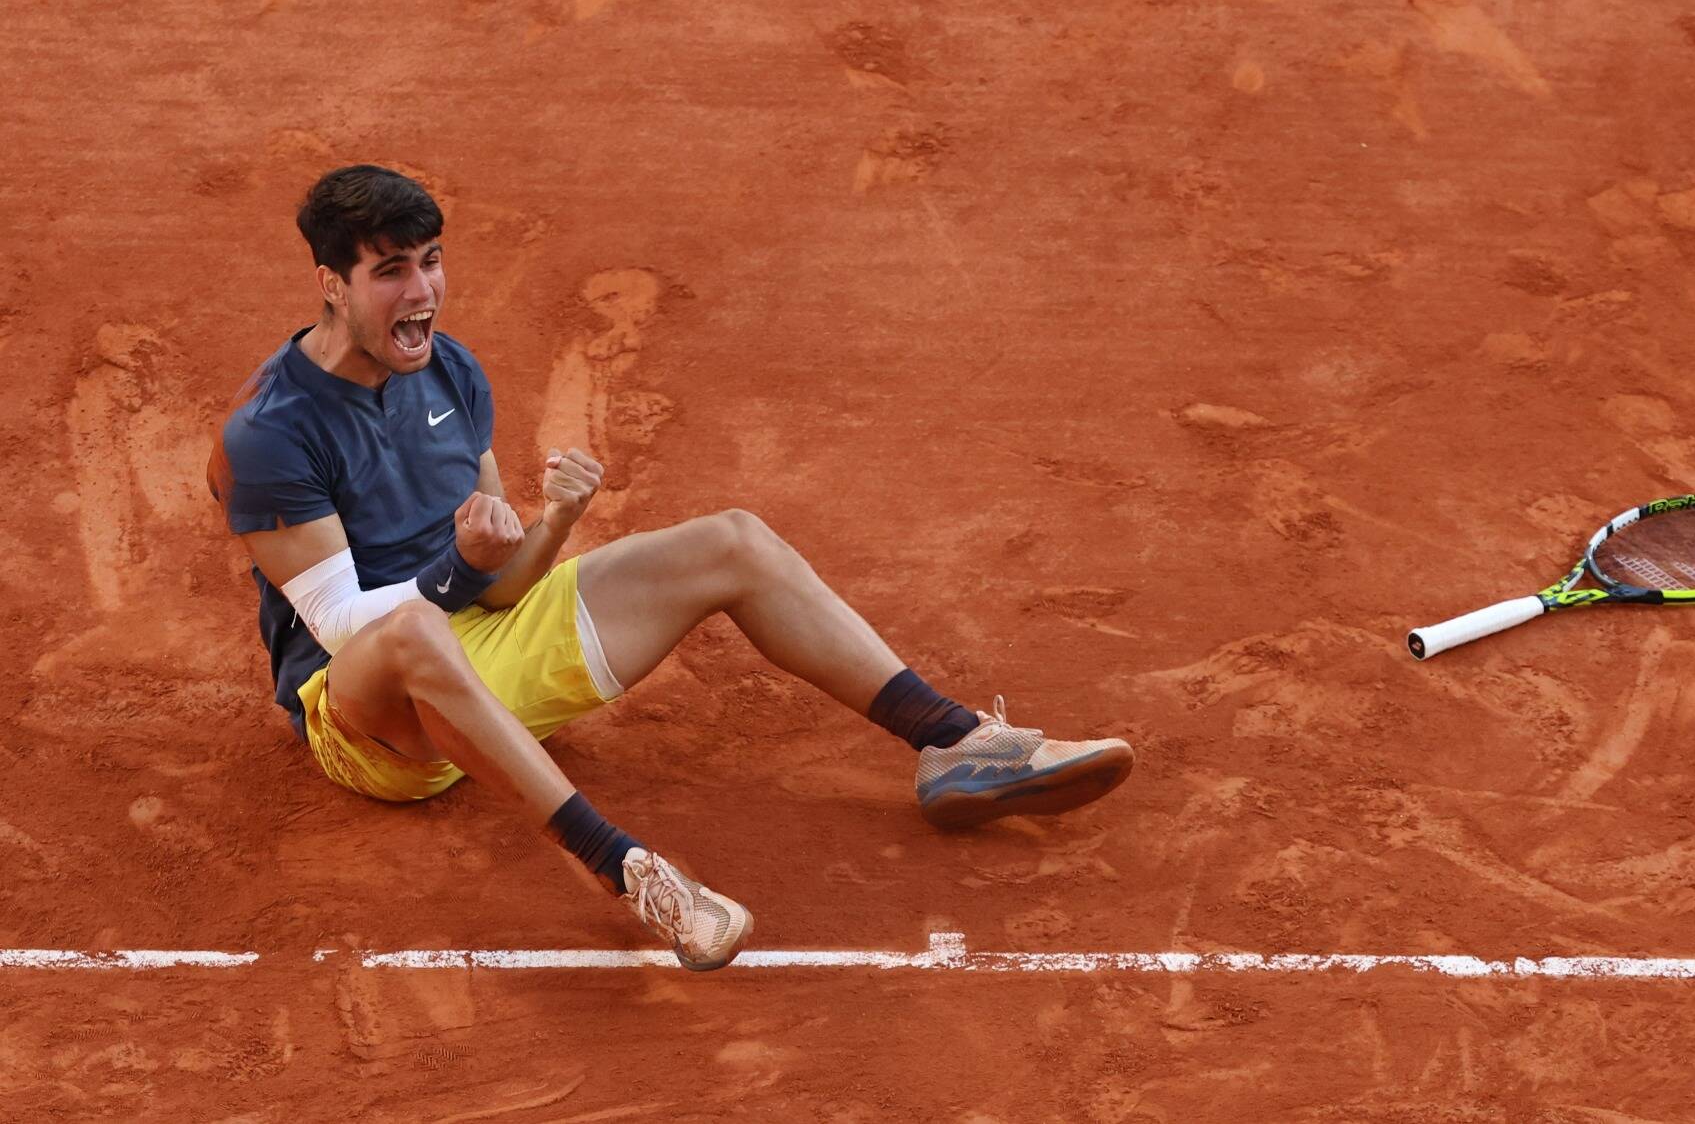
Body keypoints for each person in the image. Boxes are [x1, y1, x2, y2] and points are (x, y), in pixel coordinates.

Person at [206, 165, 1134, 972]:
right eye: (390, 271)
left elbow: (504, 587)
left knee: (733, 538)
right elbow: (345, 631)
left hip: (474, 645)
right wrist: (457, 571)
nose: (422, 292)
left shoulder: (450, 372)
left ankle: (953, 744)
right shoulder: (269, 435)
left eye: (432, 260)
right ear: (331, 284)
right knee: (412, 630)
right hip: (376, 728)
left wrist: (555, 521)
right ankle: (633, 874)